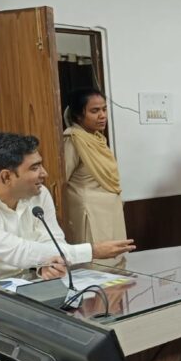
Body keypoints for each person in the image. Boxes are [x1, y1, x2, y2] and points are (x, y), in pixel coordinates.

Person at [0, 133, 135, 294]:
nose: (44, 173)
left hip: (22, 291)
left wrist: (46, 266)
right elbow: (17, 252)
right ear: (6, 176)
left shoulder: (38, 194)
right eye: (35, 168)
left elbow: (53, 241)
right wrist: (92, 251)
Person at [62, 88, 127, 247]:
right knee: (96, 259)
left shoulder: (98, 139)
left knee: (116, 255)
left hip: (111, 211)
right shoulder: (73, 140)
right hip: (90, 213)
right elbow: (62, 180)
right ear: (78, 114)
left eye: (104, 109)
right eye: (95, 111)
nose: (102, 115)